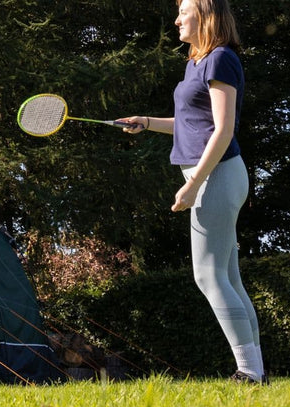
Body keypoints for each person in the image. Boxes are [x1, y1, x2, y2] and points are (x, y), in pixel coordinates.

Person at [116, 0, 265, 384]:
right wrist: (146, 122)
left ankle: (249, 372)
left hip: (216, 177)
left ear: (206, 16)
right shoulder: (195, 63)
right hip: (213, 177)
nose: (177, 18)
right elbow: (189, 124)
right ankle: (256, 371)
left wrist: (192, 185)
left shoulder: (220, 59)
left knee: (208, 276)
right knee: (228, 278)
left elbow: (223, 129)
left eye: (184, 10)